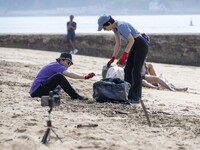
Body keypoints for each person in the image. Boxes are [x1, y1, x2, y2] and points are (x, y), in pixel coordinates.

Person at [98, 15, 149, 104]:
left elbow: (132, 40)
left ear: (109, 23)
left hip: (140, 45)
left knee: (136, 71)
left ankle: (136, 97)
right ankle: (128, 95)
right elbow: (118, 44)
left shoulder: (121, 25)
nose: (105, 30)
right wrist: (113, 58)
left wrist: (124, 56)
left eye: (104, 27)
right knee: (127, 70)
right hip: (133, 46)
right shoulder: (115, 28)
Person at [29, 52, 95, 100]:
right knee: (59, 77)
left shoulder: (55, 65)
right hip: (37, 89)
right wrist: (85, 77)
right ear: (61, 60)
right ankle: (75, 96)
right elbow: (70, 74)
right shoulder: (57, 65)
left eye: (70, 64)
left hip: (37, 90)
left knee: (59, 82)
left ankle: (52, 95)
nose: (68, 65)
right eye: (68, 63)